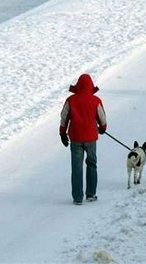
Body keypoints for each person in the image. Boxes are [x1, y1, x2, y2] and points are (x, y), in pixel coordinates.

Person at [59, 73, 107, 205]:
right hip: (91, 138)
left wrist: (62, 134)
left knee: (76, 167)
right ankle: (91, 194)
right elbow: (102, 118)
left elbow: (64, 117)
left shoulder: (71, 100)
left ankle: (77, 198)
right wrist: (103, 127)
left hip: (75, 138)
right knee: (91, 164)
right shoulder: (95, 100)